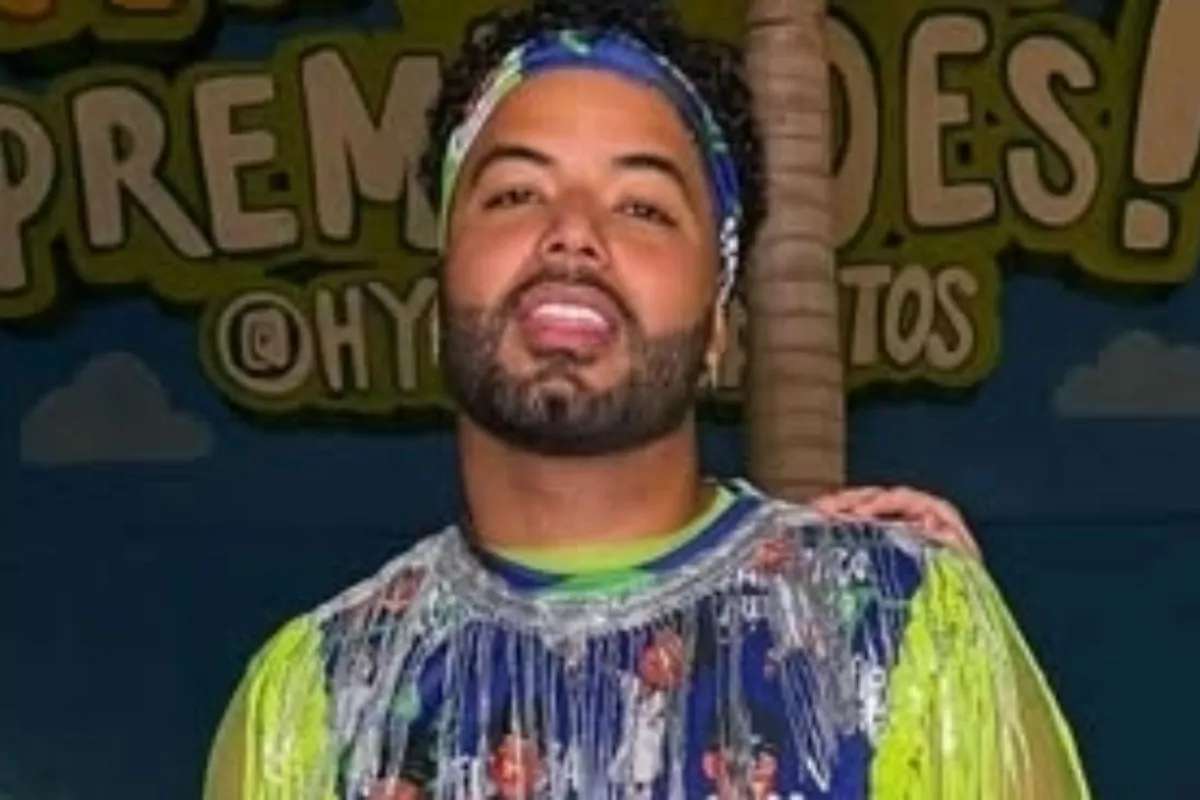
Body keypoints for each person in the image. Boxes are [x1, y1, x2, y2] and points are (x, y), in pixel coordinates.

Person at [204, 2, 1087, 797]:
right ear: (441, 282)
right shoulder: (310, 700)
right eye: (515, 193)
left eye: (644, 209)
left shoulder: (901, 629)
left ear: (718, 327)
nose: (572, 235)